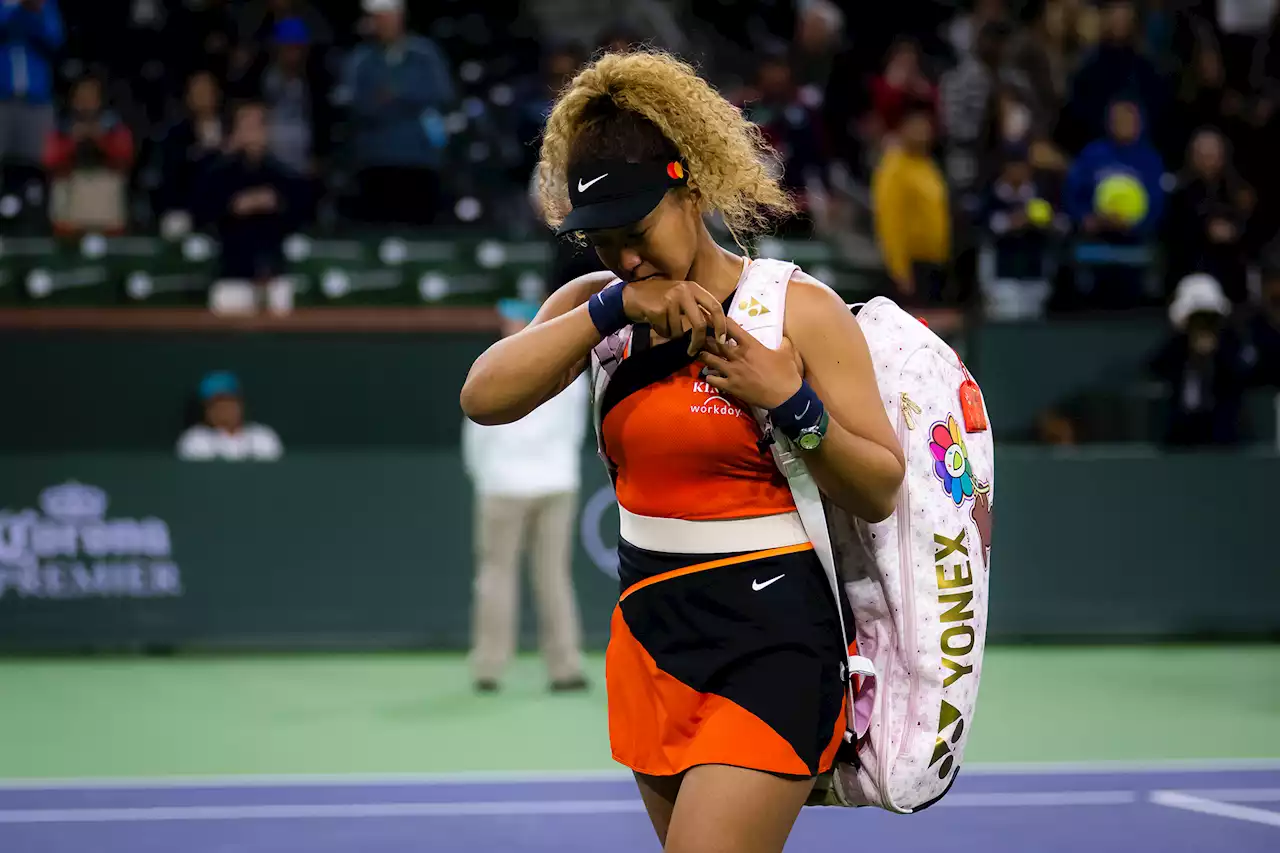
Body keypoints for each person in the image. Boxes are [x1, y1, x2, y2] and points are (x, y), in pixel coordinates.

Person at [460, 48, 905, 853]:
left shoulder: (796, 310)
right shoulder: (598, 306)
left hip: (774, 642)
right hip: (653, 639)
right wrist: (613, 306)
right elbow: (483, 395)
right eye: (601, 242)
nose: (624, 257)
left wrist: (789, 401)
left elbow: (879, 485)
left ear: (692, 190)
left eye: (637, 233)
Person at [461, 298, 590, 694]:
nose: (508, 326)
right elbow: (576, 430)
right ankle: (563, 667)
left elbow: (477, 431)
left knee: (498, 576)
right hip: (553, 483)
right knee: (550, 577)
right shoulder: (570, 367)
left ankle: (489, 667)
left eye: (513, 319)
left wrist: (485, 476)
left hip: (506, 485)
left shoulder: (494, 365)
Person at [177, 370, 283, 462]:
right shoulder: (195, 440)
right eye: (215, 405)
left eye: (228, 403)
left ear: (240, 404)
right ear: (206, 410)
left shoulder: (263, 437)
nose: (223, 410)